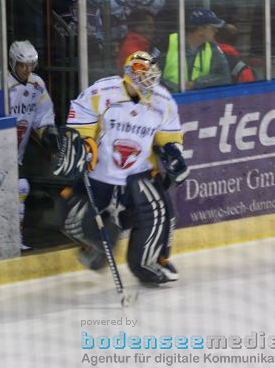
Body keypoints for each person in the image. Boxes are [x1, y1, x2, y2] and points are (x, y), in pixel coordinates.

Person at [59, 50, 187, 286]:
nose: (149, 81)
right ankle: (95, 244)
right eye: (144, 76)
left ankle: (151, 262)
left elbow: (170, 137)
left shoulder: (164, 101)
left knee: (158, 214)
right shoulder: (101, 93)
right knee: (71, 216)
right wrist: (83, 144)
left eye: (151, 76)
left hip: (138, 176)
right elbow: (80, 124)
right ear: (130, 75)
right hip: (100, 174)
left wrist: (174, 154)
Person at [0, 40, 57, 250]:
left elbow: (43, 114)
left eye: (31, 65)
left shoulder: (36, 84)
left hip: (16, 153)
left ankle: (14, 239)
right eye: (23, 65)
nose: (27, 70)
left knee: (21, 188)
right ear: (12, 62)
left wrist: (48, 131)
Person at [161, 8, 231, 91]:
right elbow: (149, 74)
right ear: (200, 30)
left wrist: (196, 84)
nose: (216, 30)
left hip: (196, 100)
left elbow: (225, 77)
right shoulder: (166, 42)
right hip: (166, 100)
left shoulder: (212, 48)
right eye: (212, 28)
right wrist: (171, 89)